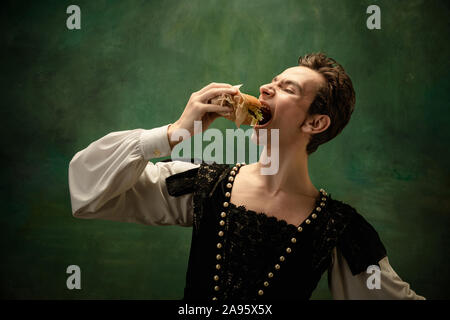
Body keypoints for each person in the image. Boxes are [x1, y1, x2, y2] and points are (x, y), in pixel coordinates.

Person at [68, 53, 425, 300]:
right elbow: (88, 192)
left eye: (288, 88)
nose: (266, 88)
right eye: (272, 81)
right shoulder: (203, 183)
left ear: (315, 123)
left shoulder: (340, 230)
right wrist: (173, 133)